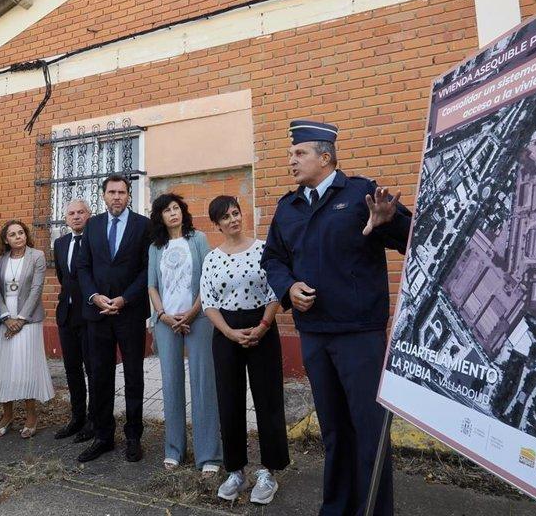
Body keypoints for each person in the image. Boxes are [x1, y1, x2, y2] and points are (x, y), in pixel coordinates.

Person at [261, 120, 412, 516]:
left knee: (369, 431)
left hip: (359, 335)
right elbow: (273, 259)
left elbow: (411, 236)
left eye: (299, 153)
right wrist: (289, 287)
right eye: (290, 153)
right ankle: (337, 508)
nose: (290, 161)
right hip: (315, 334)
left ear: (325, 157)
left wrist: (390, 220)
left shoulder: (362, 193)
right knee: (333, 431)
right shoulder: (288, 207)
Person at [201, 195, 289, 505]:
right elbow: (208, 301)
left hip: (262, 325)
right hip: (226, 331)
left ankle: (269, 471)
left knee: (268, 400)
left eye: (236, 213)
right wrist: (228, 332)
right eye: (225, 217)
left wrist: (263, 326)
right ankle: (235, 469)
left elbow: (276, 289)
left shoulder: (265, 250)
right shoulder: (212, 258)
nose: (233, 220)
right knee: (230, 400)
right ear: (217, 224)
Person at [75, 175, 150, 463]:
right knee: (100, 376)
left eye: (122, 192)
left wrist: (124, 298)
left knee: (133, 377)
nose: (117, 196)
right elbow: (83, 267)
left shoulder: (143, 225)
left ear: (129, 195)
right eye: (111, 192)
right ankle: (103, 436)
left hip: (129, 313)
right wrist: (94, 296)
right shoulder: (92, 226)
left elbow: (147, 269)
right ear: (103, 196)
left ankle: (133, 437)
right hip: (98, 313)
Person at [147, 193, 221, 475]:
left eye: (176, 208)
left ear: (183, 212)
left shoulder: (197, 239)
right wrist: (164, 315)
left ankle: (209, 454)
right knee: (171, 383)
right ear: (161, 217)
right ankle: (174, 450)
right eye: (167, 210)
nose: (173, 214)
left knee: (203, 382)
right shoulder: (156, 247)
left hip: (199, 318)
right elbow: (152, 286)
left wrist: (191, 313)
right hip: (165, 322)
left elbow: (207, 278)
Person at [0, 219, 54, 439]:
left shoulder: (37, 256)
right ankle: (7, 415)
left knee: (26, 367)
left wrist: (21, 320)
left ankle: (31, 415)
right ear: (5, 239)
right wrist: (7, 317)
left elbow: (36, 290)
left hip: (28, 321)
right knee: (5, 368)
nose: (18, 237)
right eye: (13, 234)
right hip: (5, 320)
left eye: (21, 233)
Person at [53, 199, 95, 442]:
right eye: (71, 213)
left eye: (81, 212)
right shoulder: (60, 243)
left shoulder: (96, 240)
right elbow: (63, 277)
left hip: (90, 316)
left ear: (89, 215)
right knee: (72, 370)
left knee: (93, 369)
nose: (76, 216)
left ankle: (93, 419)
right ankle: (77, 417)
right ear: (66, 218)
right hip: (67, 316)